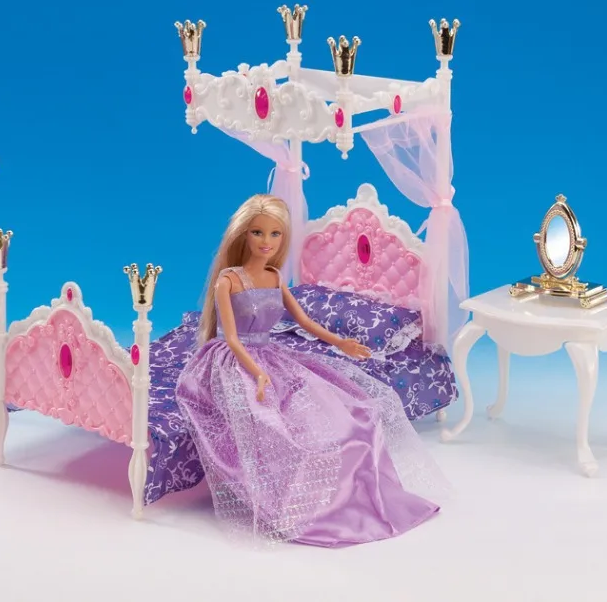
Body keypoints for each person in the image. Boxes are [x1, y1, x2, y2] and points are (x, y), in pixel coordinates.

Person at [174, 193, 450, 547]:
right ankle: (290, 504)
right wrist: (257, 373)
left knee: (351, 409)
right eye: (258, 232)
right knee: (268, 421)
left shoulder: (275, 278)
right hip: (236, 361)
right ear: (243, 234)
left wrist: (341, 343)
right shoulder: (228, 280)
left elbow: (304, 321)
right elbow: (230, 338)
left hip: (271, 354)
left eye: (275, 234)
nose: (266, 241)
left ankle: (346, 498)